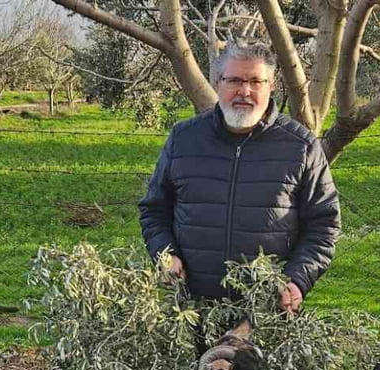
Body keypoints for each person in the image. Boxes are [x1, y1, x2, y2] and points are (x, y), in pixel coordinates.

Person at [138, 41, 340, 314]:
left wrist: (296, 280)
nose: (244, 91)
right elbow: (154, 210)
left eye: (256, 81)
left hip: (266, 310)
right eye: (234, 80)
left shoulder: (300, 146)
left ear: (271, 86)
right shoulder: (184, 139)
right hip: (190, 309)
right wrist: (166, 255)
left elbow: (323, 224)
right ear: (218, 82)